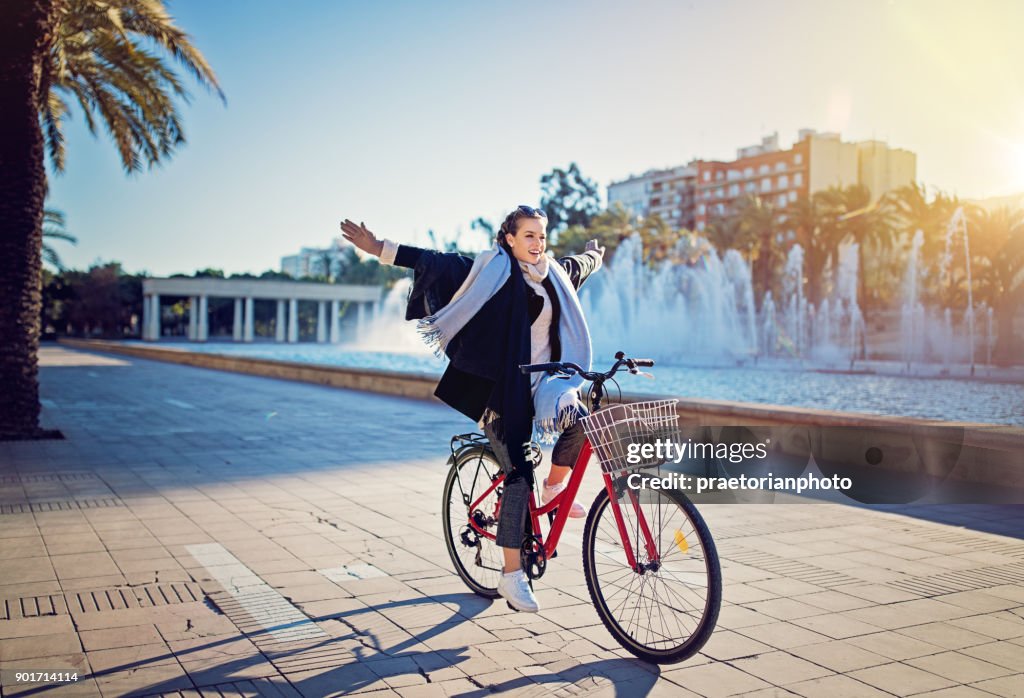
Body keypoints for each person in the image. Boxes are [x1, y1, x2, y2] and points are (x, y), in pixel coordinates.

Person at [340, 206, 604, 612]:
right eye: (529, 236)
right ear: (509, 239)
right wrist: (377, 247)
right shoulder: (490, 270)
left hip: (542, 384)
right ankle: (511, 576)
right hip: (498, 390)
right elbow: (434, 261)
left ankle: (555, 486)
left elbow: (577, 266)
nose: (538, 244)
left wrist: (595, 257)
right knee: (518, 476)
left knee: (582, 419)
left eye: (542, 237)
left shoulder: (552, 275)